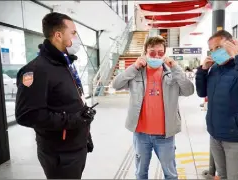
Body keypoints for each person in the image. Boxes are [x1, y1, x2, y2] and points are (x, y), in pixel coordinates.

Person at [15, 12, 96, 179]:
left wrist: (85, 133)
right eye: (73, 33)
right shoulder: (37, 70)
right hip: (60, 154)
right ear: (58, 35)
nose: (77, 38)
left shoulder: (64, 63)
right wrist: (74, 120)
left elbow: (70, 101)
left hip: (76, 146)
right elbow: (27, 115)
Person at [112, 36, 195, 179]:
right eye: (152, 52)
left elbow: (189, 90)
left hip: (165, 134)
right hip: (141, 134)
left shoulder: (172, 73)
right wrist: (134, 66)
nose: (157, 56)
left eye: (160, 52)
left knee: (170, 174)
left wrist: (176, 67)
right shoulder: (136, 73)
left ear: (165, 53)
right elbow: (116, 84)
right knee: (140, 173)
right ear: (145, 53)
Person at [195, 30, 238, 179]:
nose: (214, 53)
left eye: (218, 48)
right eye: (212, 50)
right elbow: (202, 93)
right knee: (223, 176)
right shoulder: (216, 68)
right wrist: (203, 71)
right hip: (216, 134)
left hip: (237, 137)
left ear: (232, 44)